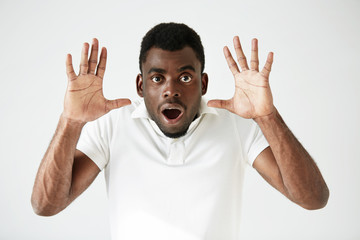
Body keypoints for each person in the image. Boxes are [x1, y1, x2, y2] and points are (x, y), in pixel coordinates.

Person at [31, 23, 329, 239]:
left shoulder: (236, 125)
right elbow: (46, 205)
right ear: (141, 86)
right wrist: (70, 122)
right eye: (157, 78)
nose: (170, 90)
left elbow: (313, 199)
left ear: (203, 84)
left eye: (185, 77)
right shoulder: (113, 124)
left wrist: (268, 116)